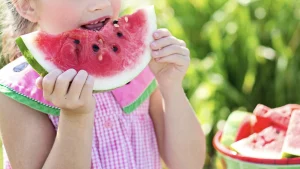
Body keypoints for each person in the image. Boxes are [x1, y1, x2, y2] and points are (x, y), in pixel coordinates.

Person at [0, 0, 206, 169]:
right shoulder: (17, 91)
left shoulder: (142, 64)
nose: (100, 4)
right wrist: (75, 118)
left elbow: (189, 163)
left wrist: (172, 87)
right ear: (27, 5)